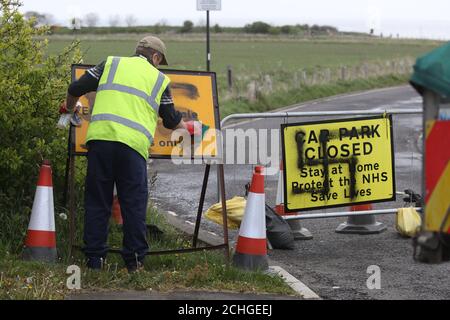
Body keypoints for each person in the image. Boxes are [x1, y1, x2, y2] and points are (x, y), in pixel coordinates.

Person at [64, 35, 200, 272]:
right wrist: (190, 129)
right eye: (159, 60)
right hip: (132, 148)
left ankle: (94, 261)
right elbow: (170, 120)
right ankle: (134, 262)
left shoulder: (111, 63)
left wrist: (69, 109)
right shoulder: (158, 79)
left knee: (98, 202)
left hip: (101, 142)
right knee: (134, 205)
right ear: (155, 57)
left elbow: (75, 88)